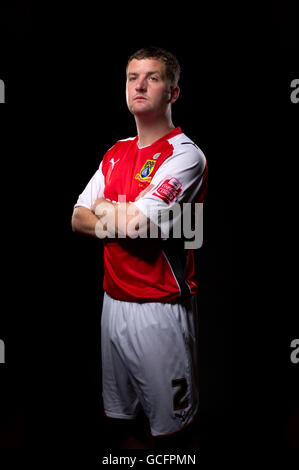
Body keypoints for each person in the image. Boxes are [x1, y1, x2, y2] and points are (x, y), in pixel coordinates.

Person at [71, 47, 208, 449]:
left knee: (172, 432)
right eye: (132, 77)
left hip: (159, 307)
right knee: (121, 421)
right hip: (112, 302)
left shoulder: (186, 156)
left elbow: (136, 224)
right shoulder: (115, 152)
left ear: (173, 92)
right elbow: (76, 218)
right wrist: (112, 213)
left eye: (152, 77)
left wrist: (106, 209)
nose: (140, 85)